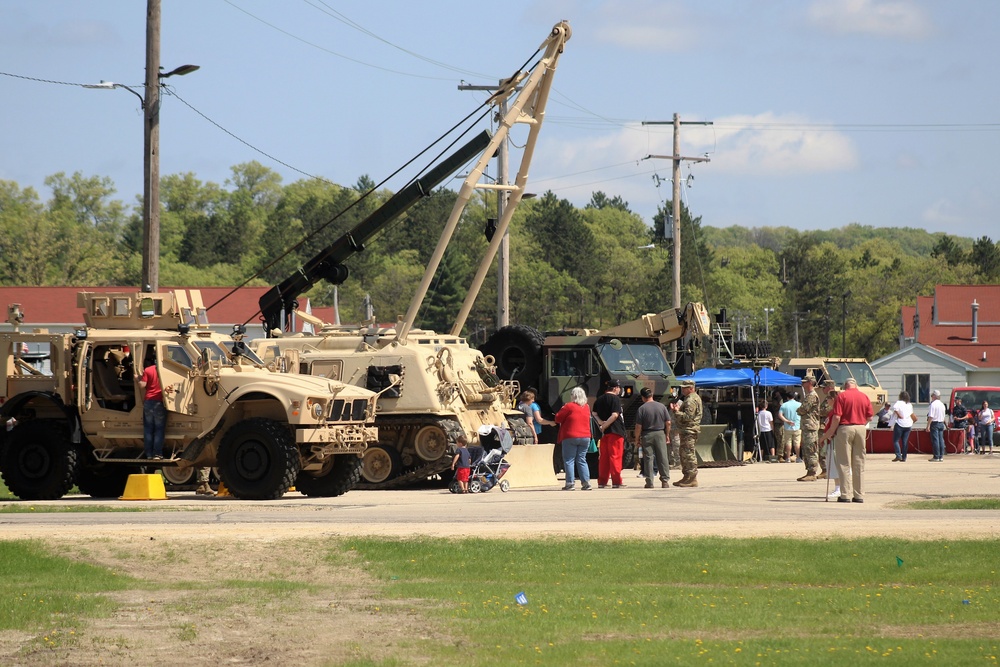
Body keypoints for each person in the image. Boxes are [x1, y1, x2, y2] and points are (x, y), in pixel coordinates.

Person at [821, 379, 873, 503]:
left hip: (845, 428)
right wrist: (861, 424)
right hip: (860, 428)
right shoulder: (864, 396)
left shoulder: (842, 396)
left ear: (845, 386)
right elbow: (870, 417)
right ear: (856, 385)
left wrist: (831, 432)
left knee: (844, 462)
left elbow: (837, 417)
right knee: (859, 462)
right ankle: (859, 495)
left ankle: (845, 494)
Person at [554, 386, 593, 491]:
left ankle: (570, 483)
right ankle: (586, 482)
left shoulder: (569, 406)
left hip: (570, 436)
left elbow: (558, 418)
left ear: (573, 396)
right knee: (581, 459)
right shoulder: (586, 407)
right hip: (585, 436)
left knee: (569, 460)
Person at [633, 387, 672, 489]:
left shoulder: (642, 409)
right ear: (652, 395)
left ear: (643, 397)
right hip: (660, 433)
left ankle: (649, 482)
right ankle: (665, 481)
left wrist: (637, 439)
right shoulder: (662, 406)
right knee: (662, 457)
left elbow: (638, 426)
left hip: (647, 434)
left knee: (648, 458)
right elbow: (668, 422)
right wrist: (667, 434)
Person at [594, 379, 627, 488]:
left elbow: (594, 413)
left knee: (604, 457)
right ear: (616, 388)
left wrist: (601, 423)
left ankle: (602, 481)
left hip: (604, 433)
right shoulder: (615, 399)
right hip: (615, 431)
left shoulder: (599, 399)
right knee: (615, 456)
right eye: (619, 388)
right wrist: (606, 425)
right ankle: (617, 481)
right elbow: (615, 415)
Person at [671, 379, 702, 488]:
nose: (682, 390)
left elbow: (688, 417)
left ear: (691, 388)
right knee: (684, 454)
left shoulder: (690, 400)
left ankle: (692, 478)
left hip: (689, 430)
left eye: (685, 388)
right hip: (686, 430)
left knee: (688, 454)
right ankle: (687, 477)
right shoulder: (691, 398)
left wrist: (676, 412)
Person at [139, 352, 167, 460]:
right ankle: (157, 454)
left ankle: (149, 454)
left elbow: (142, 385)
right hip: (159, 401)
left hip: (148, 401)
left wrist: (137, 378)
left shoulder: (148, 370)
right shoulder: (166, 371)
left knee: (148, 428)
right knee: (159, 429)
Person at [796, 375, 821, 481]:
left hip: (811, 426)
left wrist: (799, 410)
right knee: (806, 449)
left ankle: (812, 472)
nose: (803, 384)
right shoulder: (808, 395)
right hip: (807, 426)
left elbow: (803, 409)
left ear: (810, 383)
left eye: (805, 382)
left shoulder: (812, 396)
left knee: (811, 449)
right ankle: (809, 471)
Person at [817, 379, 837, 478]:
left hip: (827, 426)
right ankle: (825, 469)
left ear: (829, 387)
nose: (822, 390)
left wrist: (817, 411)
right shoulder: (827, 398)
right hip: (825, 425)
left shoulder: (833, 398)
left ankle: (826, 469)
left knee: (823, 448)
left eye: (824, 387)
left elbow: (826, 411)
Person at [890, 391, 915, 462]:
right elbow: (911, 413)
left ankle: (898, 455)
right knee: (905, 441)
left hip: (900, 423)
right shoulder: (909, 404)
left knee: (896, 440)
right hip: (908, 424)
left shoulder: (899, 402)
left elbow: (895, 408)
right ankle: (904, 457)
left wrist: (899, 415)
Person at [778, 391, 802, 463]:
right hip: (797, 425)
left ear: (787, 397)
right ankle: (798, 457)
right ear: (794, 397)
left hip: (787, 426)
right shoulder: (799, 404)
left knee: (788, 442)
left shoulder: (784, 405)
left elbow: (780, 415)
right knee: (797, 442)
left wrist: (787, 421)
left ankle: (788, 458)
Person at [925, 389, 947, 462]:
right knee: (941, 440)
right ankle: (941, 456)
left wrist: (928, 426)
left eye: (932, 396)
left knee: (935, 440)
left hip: (935, 423)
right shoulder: (942, 405)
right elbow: (944, 417)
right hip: (941, 423)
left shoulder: (933, 404)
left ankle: (936, 456)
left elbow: (931, 416)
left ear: (934, 396)